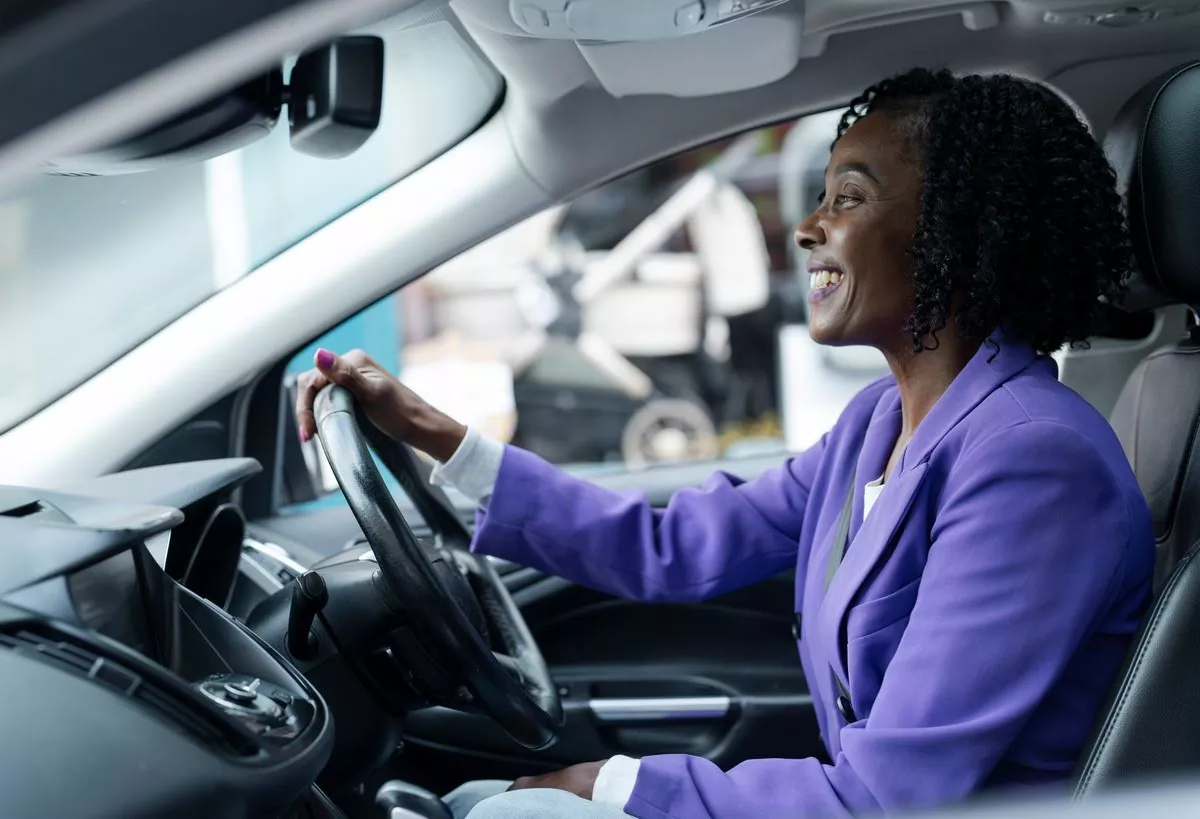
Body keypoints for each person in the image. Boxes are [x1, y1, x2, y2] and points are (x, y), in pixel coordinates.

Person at [294, 68, 1153, 819]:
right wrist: (429, 430)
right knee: (472, 806)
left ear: (957, 230)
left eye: (848, 198)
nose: (809, 227)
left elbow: (890, 798)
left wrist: (612, 784)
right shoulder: (876, 424)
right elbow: (671, 548)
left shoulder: (1034, 460)